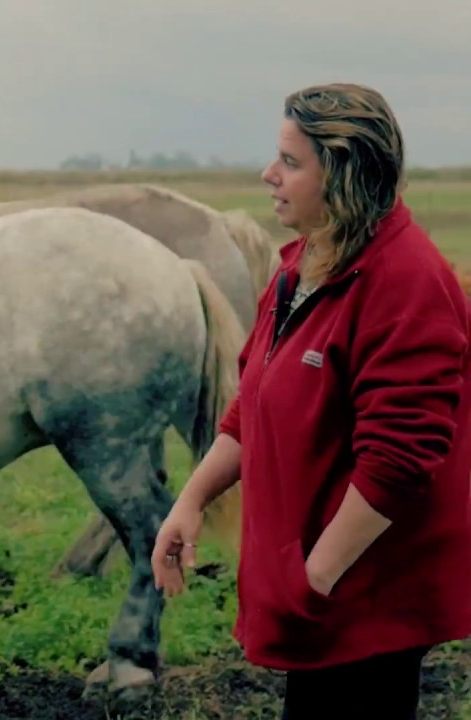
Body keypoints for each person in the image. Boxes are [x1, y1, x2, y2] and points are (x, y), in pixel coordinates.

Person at [151, 82, 471, 719]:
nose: (270, 176)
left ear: (346, 173)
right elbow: (253, 401)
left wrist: (314, 580)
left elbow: (399, 459)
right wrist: (191, 499)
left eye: (292, 163)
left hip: (365, 604)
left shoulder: (405, 283)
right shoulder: (304, 266)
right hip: (322, 606)